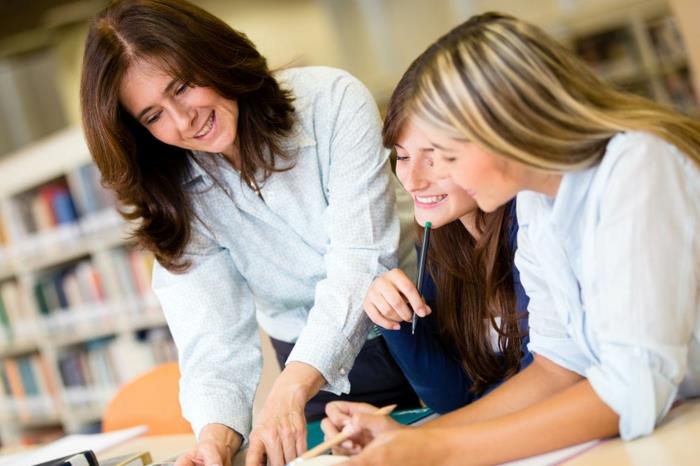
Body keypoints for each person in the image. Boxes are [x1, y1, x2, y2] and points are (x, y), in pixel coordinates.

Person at [321, 12, 700, 466]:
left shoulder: (638, 166)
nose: (444, 178)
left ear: (502, 128)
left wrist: (436, 449)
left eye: (449, 156)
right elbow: (557, 368)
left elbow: (633, 388)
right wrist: (408, 439)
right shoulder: (538, 202)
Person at [79, 1, 420, 466]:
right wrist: (214, 441)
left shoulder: (331, 100)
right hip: (314, 377)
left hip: (418, 330)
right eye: (153, 116)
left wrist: (290, 388)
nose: (183, 122)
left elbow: (362, 258)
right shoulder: (171, 188)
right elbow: (211, 336)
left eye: (181, 88)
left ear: (213, 56)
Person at [320, 52, 532, 453]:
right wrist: (394, 319)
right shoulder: (439, 240)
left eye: (433, 157)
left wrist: (419, 440)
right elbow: (453, 397)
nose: (412, 180)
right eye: (401, 157)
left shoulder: (529, 225)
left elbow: (542, 383)